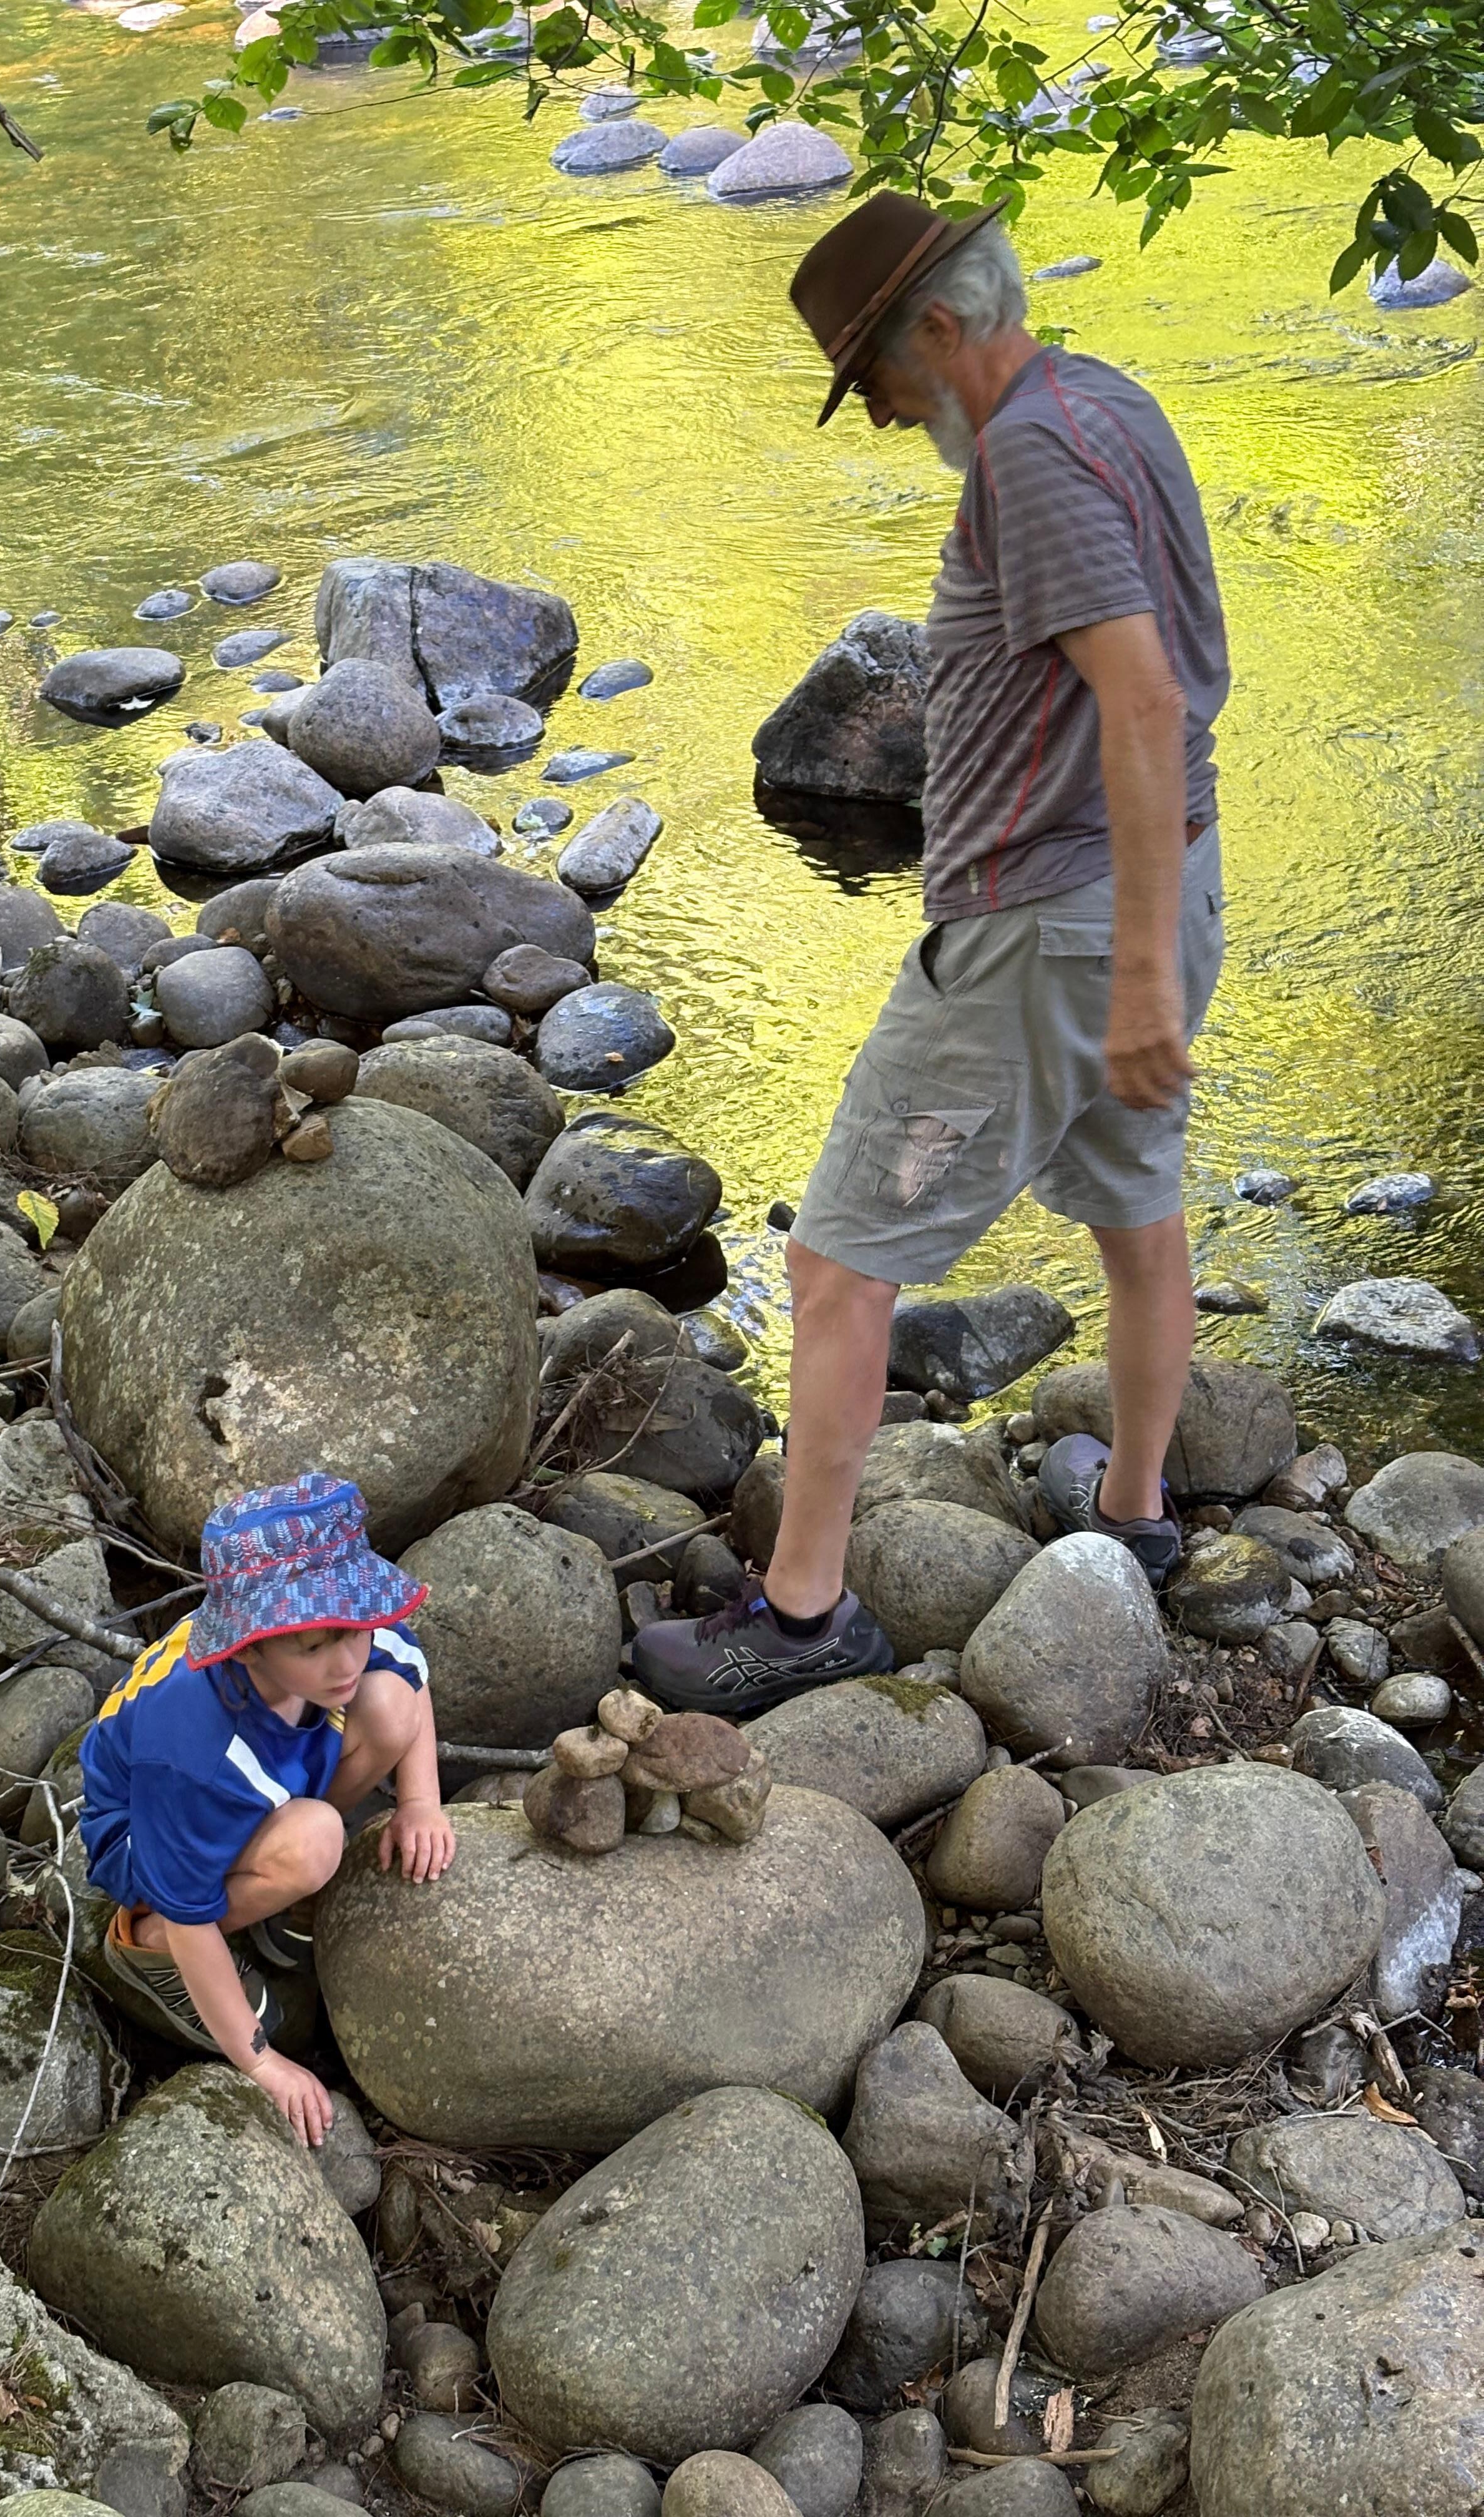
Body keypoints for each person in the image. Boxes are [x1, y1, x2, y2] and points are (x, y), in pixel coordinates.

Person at [637, 190, 1229, 1717]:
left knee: (837, 1267)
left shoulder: (1028, 453)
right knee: (1134, 1204)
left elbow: (1146, 698)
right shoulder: (1107, 397)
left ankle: (806, 1613)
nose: (884, 415)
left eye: (879, 379)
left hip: (1049, 936)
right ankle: (1139, 1517)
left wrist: (1142, 972)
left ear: (944, 333)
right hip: (1157, 879)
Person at [83, 1470, 454, 2146]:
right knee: (315, 1842)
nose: (344, 1661)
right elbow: (191, 1909)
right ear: (250, 1644)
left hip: (260, 1773)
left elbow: (411, 1681)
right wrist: (259, 2061)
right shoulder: (191, 1746)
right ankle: (144, 1943)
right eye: (312, 1646)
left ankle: (275, 1881)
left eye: (353, 1632)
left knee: (388, 1705)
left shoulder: (348, 1638)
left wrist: (421, 1800)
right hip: (144, 1825)